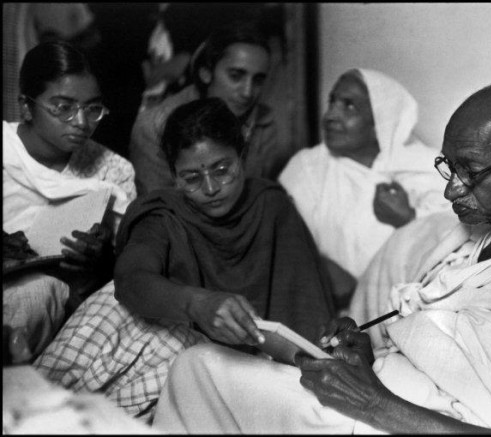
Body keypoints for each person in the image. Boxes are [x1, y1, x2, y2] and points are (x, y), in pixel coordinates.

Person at [152, 80, 491, 434]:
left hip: (398, 418)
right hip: (390, 393)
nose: (452, 189)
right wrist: (371, 349)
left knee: (198, 371)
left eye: (469, 172)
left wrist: (373, 401)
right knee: (197, 368)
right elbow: (453, 333)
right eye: (448, 167)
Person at [34, 97, 334, 422]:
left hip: (243, 365)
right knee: (118, 308)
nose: (210, 187)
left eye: (222, 170)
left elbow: (307, 310)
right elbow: (131, 279)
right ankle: (30, 408)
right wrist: (199, 305)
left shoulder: (272, 207)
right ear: (174, 176)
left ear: (242, 156)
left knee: (189, 354)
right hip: (171, 347)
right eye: (191, 178)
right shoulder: (163, 212)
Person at [2, 41, 135, 363]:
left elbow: (132, 263)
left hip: (64, 308)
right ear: (26, 106)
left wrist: (103, 258)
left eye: (92, 108)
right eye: (63, 107)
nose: (81, 122)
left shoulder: (113, 170)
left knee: (41, 292)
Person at [278, 68, 451, 308]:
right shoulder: (308, 168)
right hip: (323, 305)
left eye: (349, 106)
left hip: (409, 308)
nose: (330, 115)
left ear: (381, 121)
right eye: (332, 102)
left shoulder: (426, 167)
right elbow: (286, 247)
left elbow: (455, 247)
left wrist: (409, 220)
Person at [129, 21, 286, 196]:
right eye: (235, 76)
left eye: (257, 80)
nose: (248, 92)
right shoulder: (154, 127)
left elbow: (258, 199)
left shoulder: (264, 122)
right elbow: (157, 211)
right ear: (206, 73)